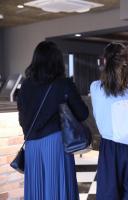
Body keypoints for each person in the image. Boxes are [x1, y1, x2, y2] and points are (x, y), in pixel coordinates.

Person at [17, 41, 89, 200]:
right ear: (57, 60)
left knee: (38, 191)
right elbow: (83, 114)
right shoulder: (63, 84)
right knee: (57, 189)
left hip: (32, 146)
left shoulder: (25, 85)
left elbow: (22, 118)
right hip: (55, 143)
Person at [90, 42, 128, 200]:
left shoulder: (95, 87)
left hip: (108, 149)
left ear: (104, 61)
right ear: (127, 60)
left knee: (108, 195)